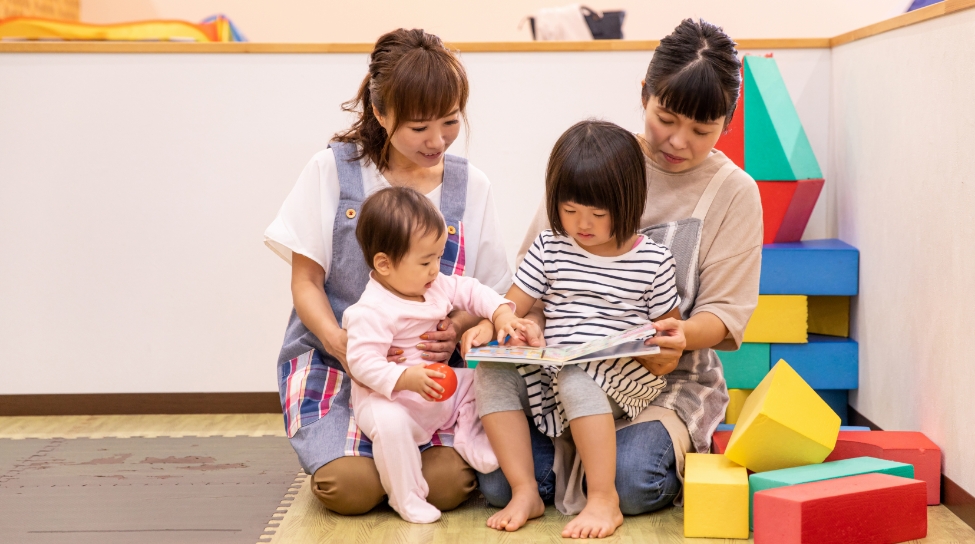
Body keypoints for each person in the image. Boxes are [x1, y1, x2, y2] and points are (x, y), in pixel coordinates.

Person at [471, 18, 763, 536]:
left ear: (727, 121)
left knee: (633, 480)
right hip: (563, 368)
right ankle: (550, 482)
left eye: (701, 129)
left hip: (660, 379)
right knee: (496, 482)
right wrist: (517, 324)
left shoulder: (735, 193)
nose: (677, 141)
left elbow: (723, 314)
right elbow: (529, 286)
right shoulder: (595, 161)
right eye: (666, 118)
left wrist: (677, 336)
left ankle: (606, 482)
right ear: (645, 94)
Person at [264, 28, 511, 515]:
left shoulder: (470, 185)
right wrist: (341, 342)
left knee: (447, 485)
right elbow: (306, 282)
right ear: (380, 113)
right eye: (419, 127)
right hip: (339, 365)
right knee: (350, 488)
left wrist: (456, 329)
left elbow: (484, 291)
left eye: (449, 122)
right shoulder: (334, 171)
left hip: (430, 377)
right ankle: (364, 462)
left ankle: (401, 475)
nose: (437, 140)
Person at [466, 120, 684, 538]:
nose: (582, 225)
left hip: (620, 375)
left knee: (576, 376)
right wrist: (492, 323)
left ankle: (604, 499)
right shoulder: (549, 247)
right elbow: (512, 304)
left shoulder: (653, 262)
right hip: (556, 368)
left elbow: (667, 336)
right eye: (569, 211)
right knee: (493, 370)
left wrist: (656, 349)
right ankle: (525, 489)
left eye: (598, 215)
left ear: (628, 203)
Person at [343, 186, 529, 523]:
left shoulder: (435, 284)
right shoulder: (371, 310)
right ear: (384, 264)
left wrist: (501, 313)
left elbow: (471, 290)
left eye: (439, 257)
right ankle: (407, 497)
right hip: (392, 400)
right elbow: (362, 363)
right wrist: (405, 378)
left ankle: (469, 435)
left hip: (436, 392)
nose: (435, 269)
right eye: (426, 261)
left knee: (480, 378)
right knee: (390, 425)